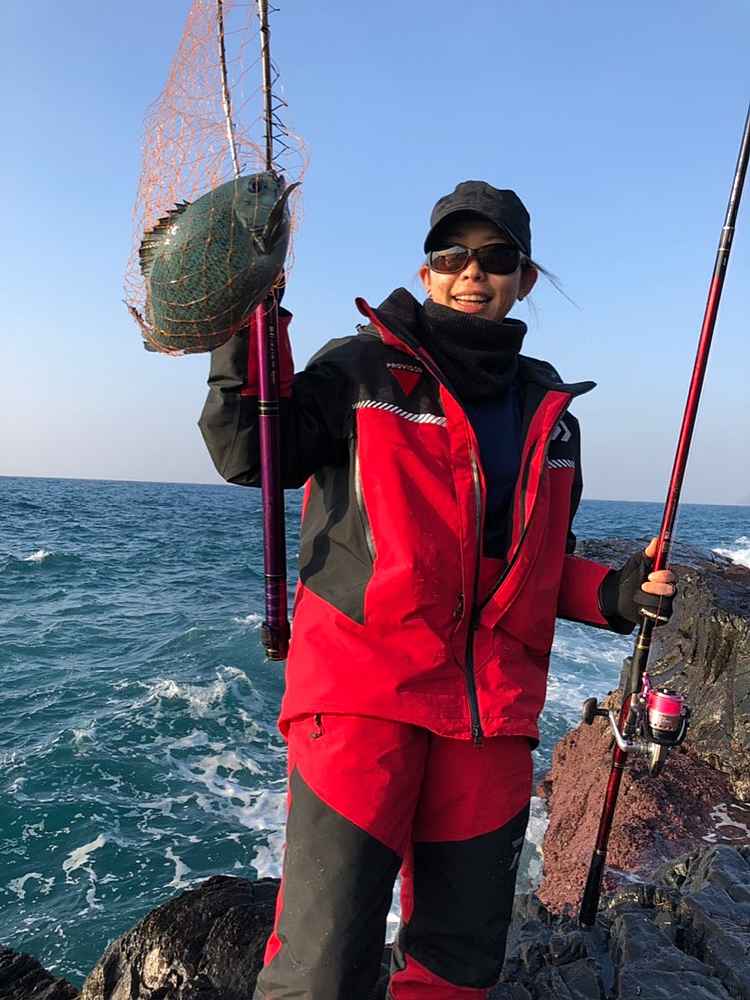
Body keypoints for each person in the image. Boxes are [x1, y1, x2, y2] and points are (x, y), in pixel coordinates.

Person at [199, 180, 676, 1000]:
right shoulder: (358, 370)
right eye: (451, 255)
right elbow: (250, 449)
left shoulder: (552, 416)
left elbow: (536, 566)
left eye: (496, 257)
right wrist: (249, 321)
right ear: (426, 273)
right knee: (322, 967)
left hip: (491, 721)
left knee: (459, 965)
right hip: (363, 701)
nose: (471, 272)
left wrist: (616, 593)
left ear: (525, 277)